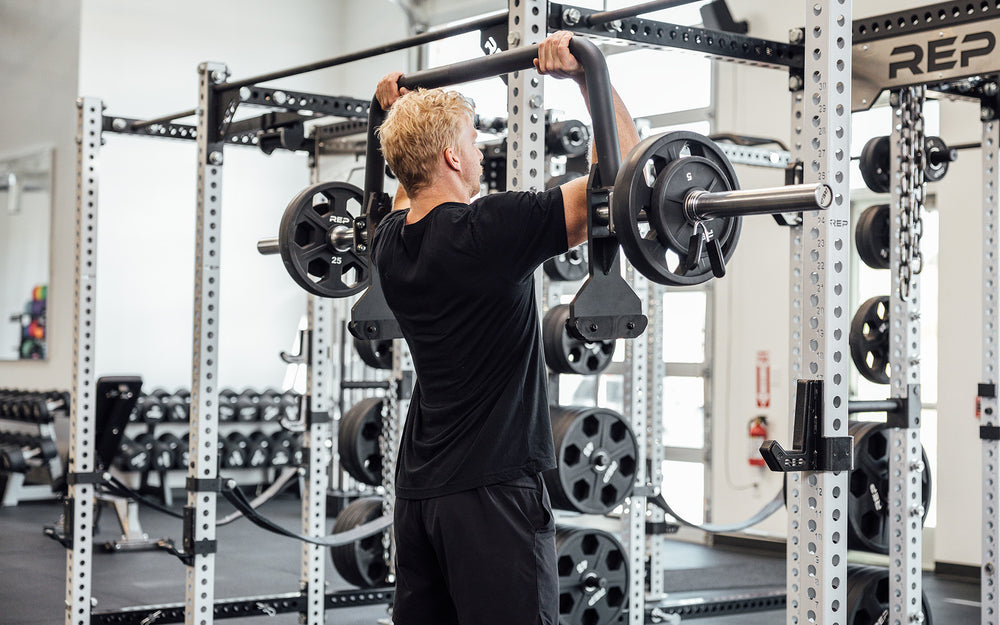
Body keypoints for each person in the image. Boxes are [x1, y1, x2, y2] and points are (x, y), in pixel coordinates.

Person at [370, 30, 639, 625]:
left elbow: (405, 182)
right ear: (452, 158)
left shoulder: (390, 244)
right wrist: (590, 77)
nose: (478, 151)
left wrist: (397, 112)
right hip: (492, 493)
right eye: (472, 140)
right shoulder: (485, 231)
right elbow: (619, 178)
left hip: (419, 495)